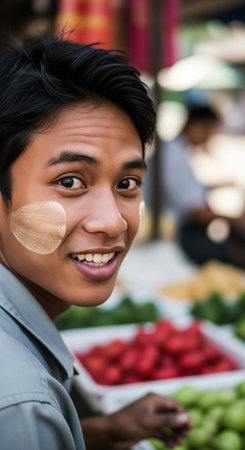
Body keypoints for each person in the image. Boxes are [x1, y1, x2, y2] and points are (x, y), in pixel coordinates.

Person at [0, 32, 191, 450]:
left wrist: (102, 433)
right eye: (69, 181)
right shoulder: (20, 402)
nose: (111, 222)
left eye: (127, 183)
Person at [145, 105, 245, 267]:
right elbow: (196, 212)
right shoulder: (174, 157)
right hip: (178, 234)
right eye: (211, 133)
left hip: (179, 229)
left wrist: (220, 185)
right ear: (197, 127)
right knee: (229, 255)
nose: (210, 139)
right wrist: (235, 220)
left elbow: (188, 191)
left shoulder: (175, 151)